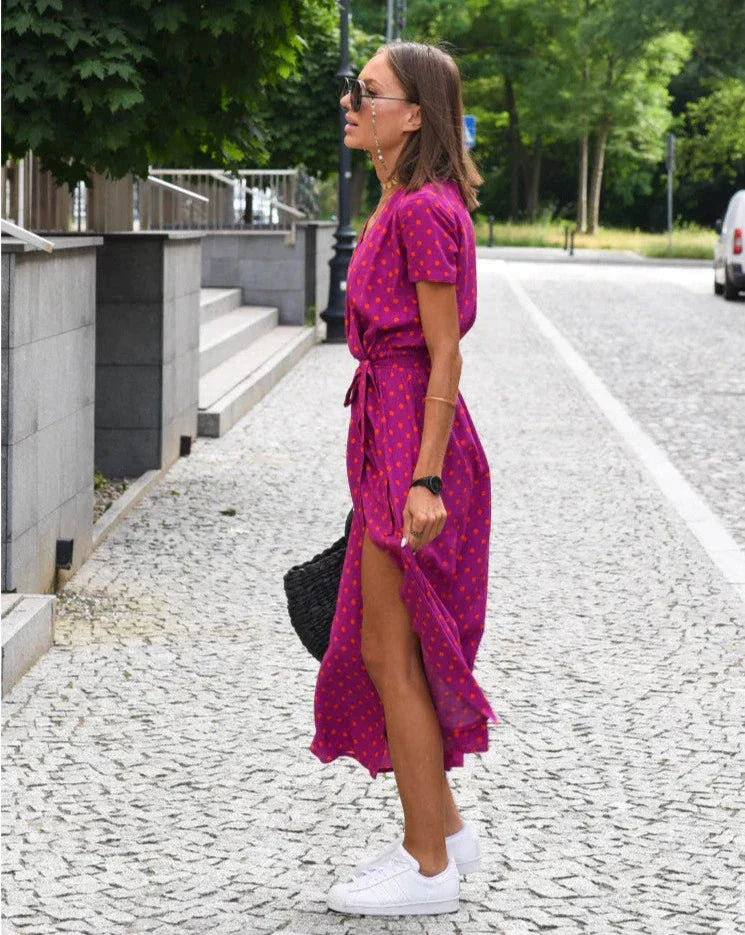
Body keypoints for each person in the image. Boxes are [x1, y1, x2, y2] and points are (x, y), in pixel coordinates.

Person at [310, 39, 499, 916]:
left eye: (368, 92)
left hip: (411, 438)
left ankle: (427, 869)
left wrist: (424, 479)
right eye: (355, 89)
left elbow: (443, 353)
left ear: (413, 114)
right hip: (393, 432)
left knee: (391, 653)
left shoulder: (421, 208)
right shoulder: (407, 198)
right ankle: (446, 831)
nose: (350, 103)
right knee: (388, 647)